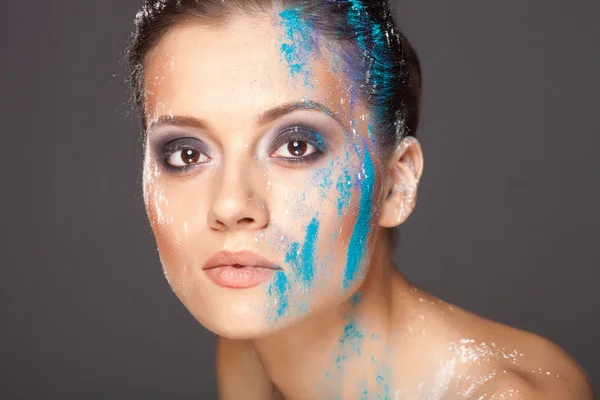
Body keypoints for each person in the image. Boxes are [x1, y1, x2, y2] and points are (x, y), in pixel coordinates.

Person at [126, 1, 595, 398]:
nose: (229, 205)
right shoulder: (250, 349)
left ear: (395, 183)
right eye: (186, 153)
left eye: (296, 146)